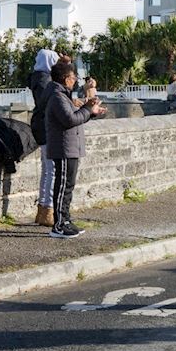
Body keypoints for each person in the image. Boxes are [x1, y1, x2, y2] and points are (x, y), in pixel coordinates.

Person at [45, 60, 106, 237]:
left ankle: (66, 220)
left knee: (68, 186)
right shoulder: (57, 96)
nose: (75, 81)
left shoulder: (64, 95)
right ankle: (58, 225)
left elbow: (76, 117)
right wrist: (88, 109)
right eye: (73, 77)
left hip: (70, 146)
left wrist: (90, 110)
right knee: (63, 186)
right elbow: (69, 120)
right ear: (66, 79)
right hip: (63, 147)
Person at [28, 49, 59, 228]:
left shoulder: (39, 78)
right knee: (51, 169)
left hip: (41, 126)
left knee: (47, 169)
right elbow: (48, 103)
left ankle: (44, 209)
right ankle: (48, 208)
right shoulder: (44, 80)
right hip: (45, 127)